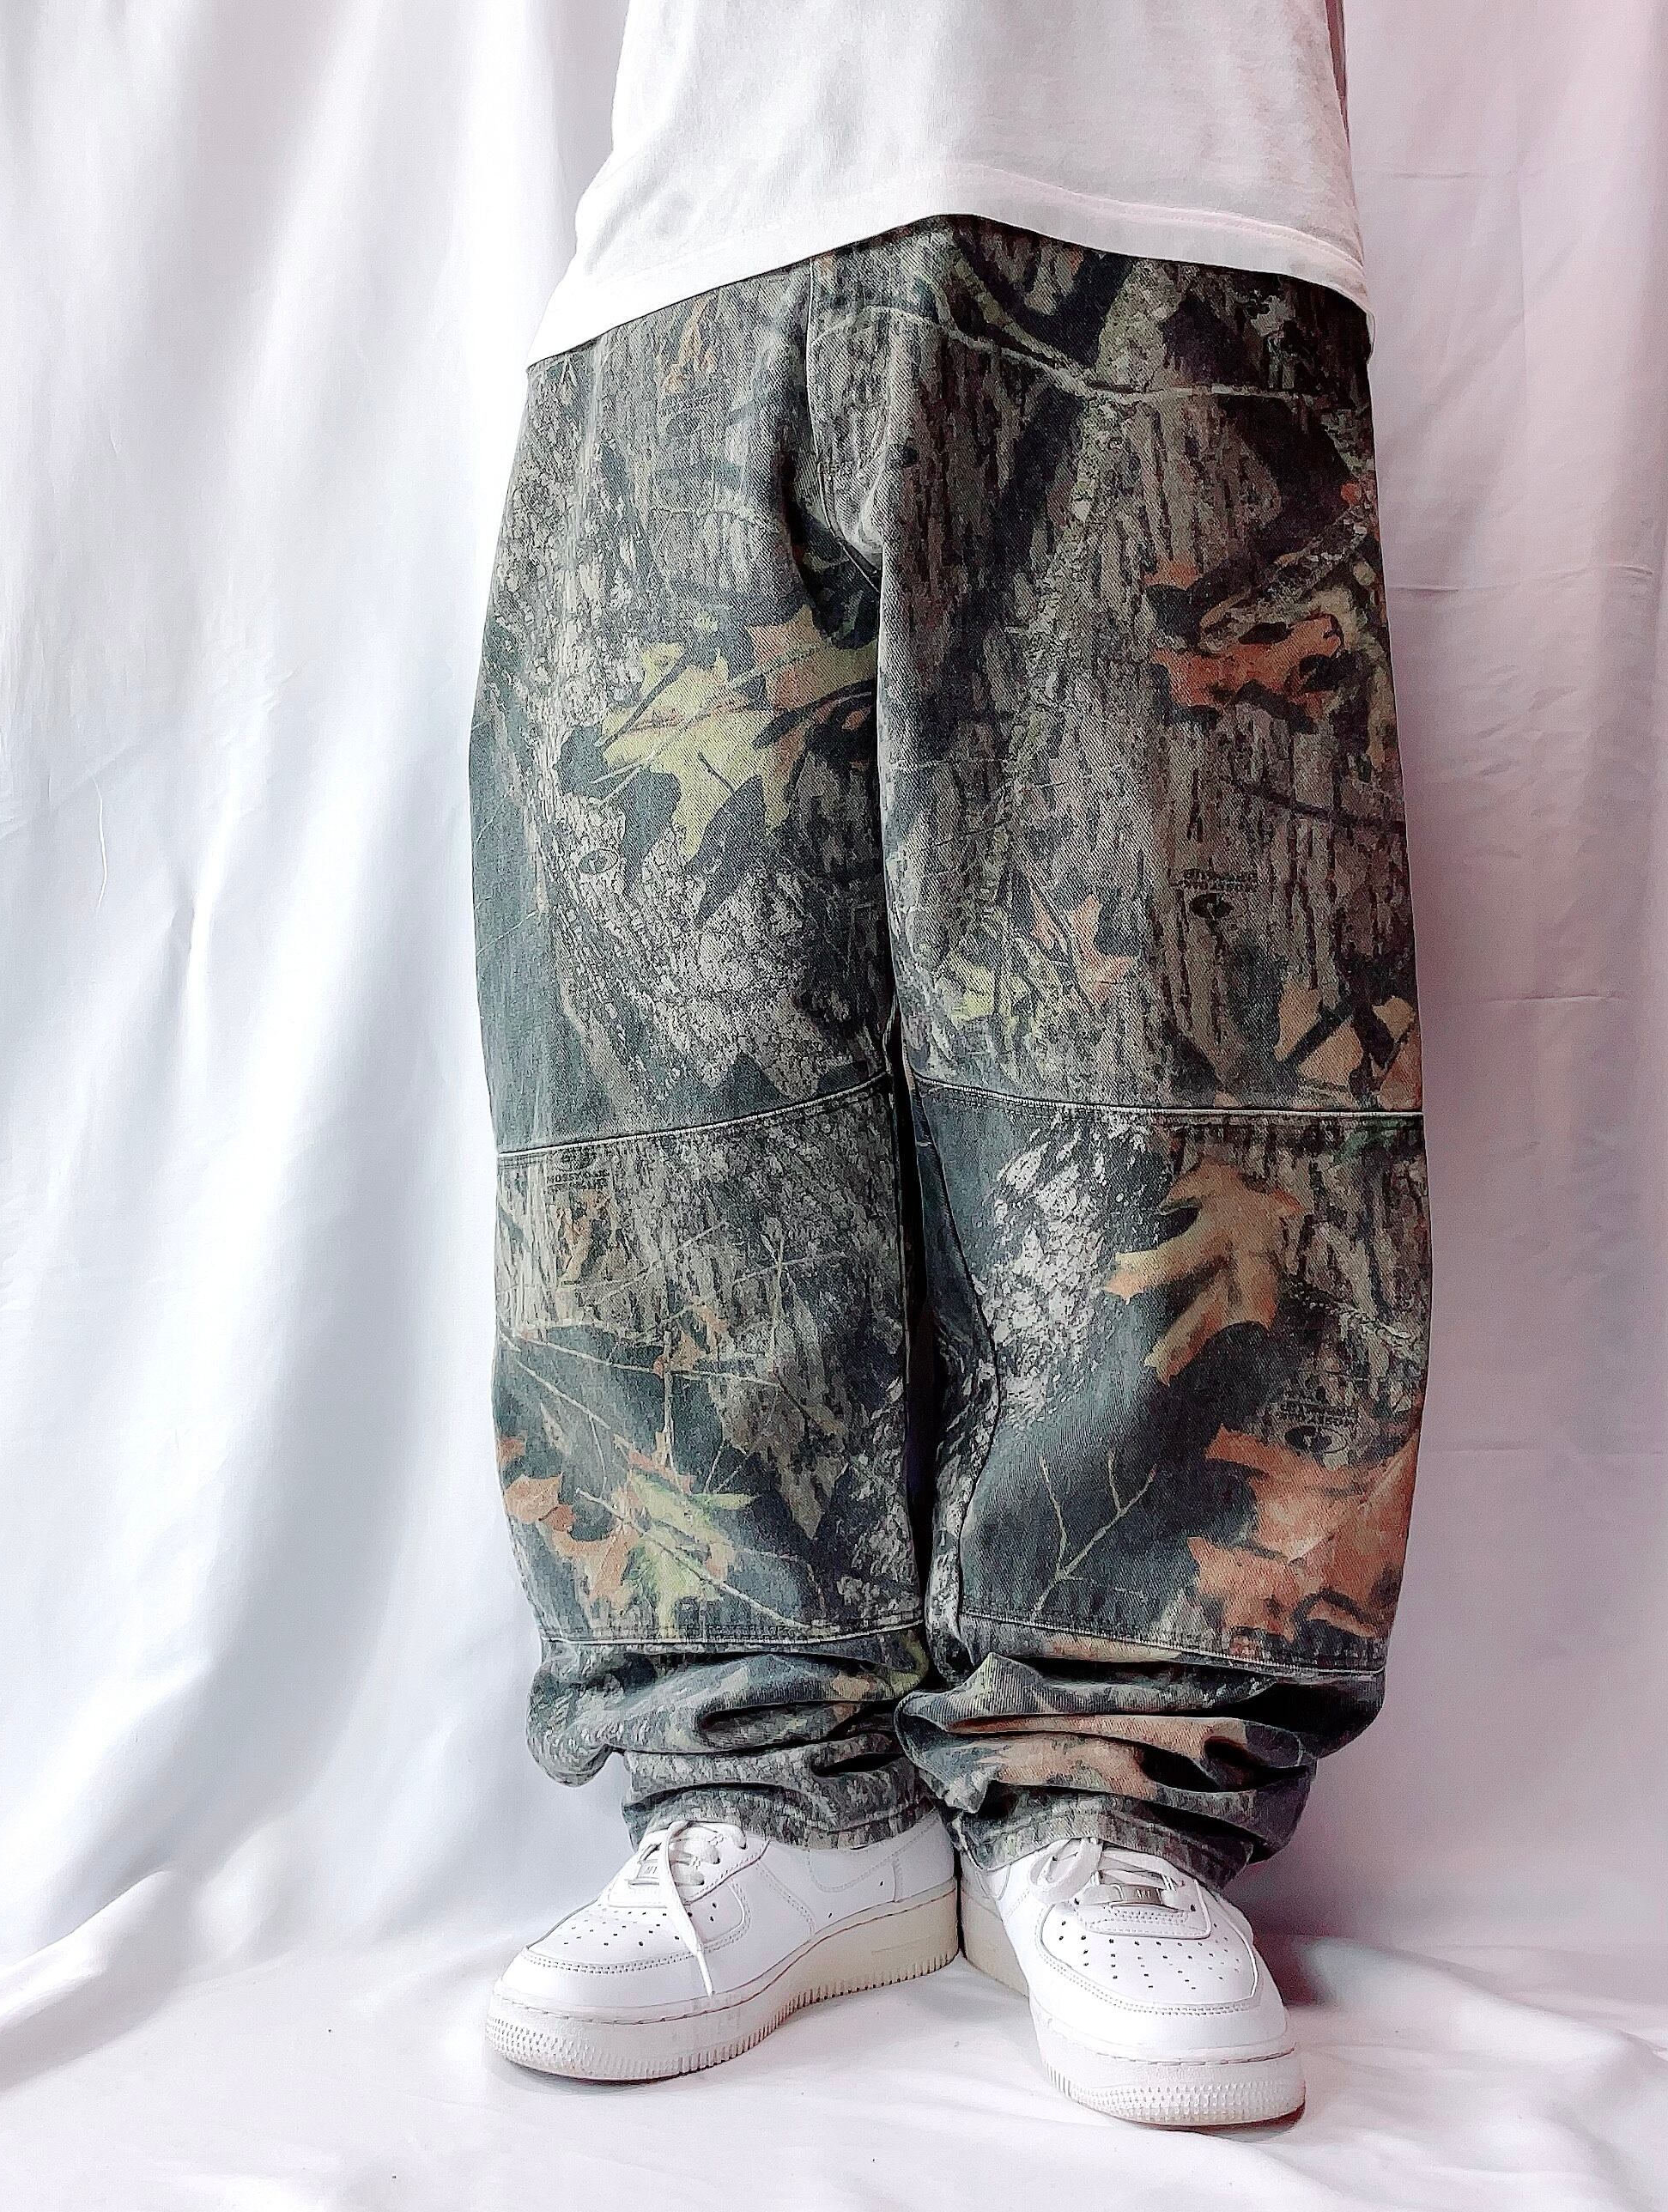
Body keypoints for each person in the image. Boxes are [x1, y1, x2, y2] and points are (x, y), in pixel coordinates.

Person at [466, 0, 1428, 2128]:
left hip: (1166, 185)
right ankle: (774, 1789)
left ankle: (1116, 1795)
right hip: (693, 235)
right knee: (667, 1081)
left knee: (1176, 1052)